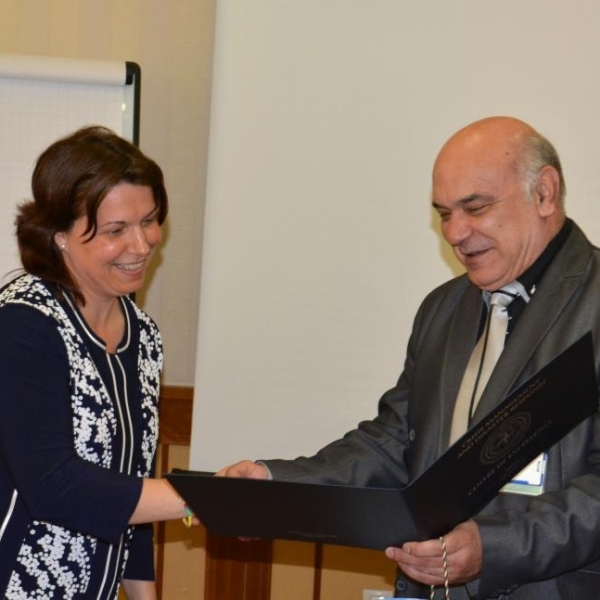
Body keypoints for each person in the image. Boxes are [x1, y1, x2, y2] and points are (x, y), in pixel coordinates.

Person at [219, 116, 600, 599]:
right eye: (444, 213)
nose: (455, 232)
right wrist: (276, 483)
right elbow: (395, 442)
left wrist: (494, 547)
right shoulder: (443, 309)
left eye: (475, 207)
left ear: (544, 192)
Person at [0, 126, 195, 600]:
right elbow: (54, 483)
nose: (142, 244)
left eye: (149, 220)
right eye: (115, 231)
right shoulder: (22, 324)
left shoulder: (144, 336)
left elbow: (134, 493)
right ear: (60, 236)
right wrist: (200, 500)